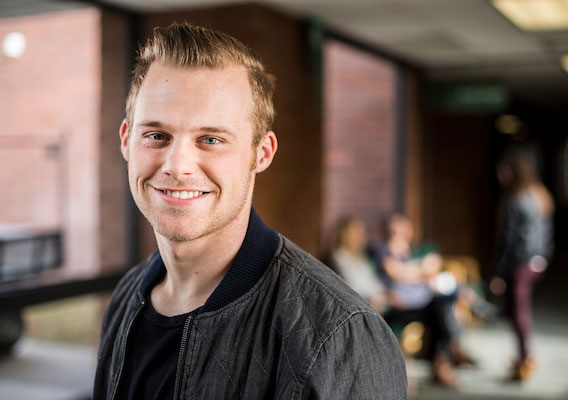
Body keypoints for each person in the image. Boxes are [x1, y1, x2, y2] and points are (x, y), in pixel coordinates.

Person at [93, 23, 406, 399]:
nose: (177, 166)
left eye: (211, 139)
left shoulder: (339, 334)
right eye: (157, 136)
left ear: (262, 152)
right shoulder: (128, 298)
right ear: (127, 140)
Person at [370, 214, 475, 388]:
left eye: (402, 229)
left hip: (417, 302)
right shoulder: (381, 249)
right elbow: (396, 272)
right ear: (387, 231)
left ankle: (443, 359)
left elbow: (423, 271)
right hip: (396, 306)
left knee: (440, 304)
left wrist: (420, 273)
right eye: (395, 229)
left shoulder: (410, 252)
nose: (399, 233)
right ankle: (446, 357)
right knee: (439, 308)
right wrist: (421, 271)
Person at [490, 147, 554, 381]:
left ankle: (526, 358)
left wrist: (498, 273)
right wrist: (544, 257)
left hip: (519, 262)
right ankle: (523, 357)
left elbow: (507, 240)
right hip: (537, 260)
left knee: (518, 310)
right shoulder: (540, 195)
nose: (499, 174)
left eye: (503, 169)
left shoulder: (514, 200)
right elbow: (547, 233)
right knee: (515, 309)